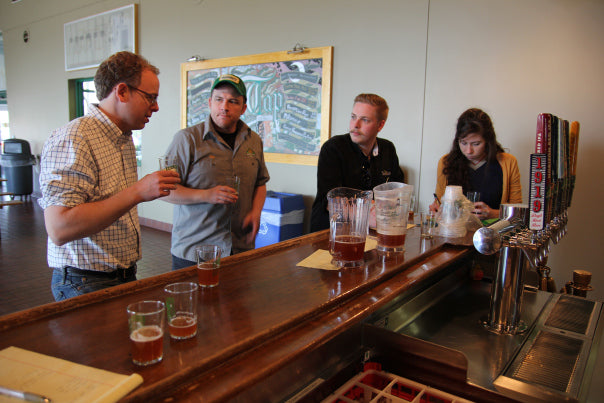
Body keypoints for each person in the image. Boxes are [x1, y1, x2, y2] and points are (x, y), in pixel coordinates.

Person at [39, 51, 180, 301]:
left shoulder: (123, 137)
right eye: (150, 97)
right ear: (122, 91)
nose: (156, 107)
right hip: (84, 281)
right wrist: (138, 191)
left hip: (122, 274)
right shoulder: (74, 138)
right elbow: (59, 228)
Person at [163, 74, 270, 270]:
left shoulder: (254, 140)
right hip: (195, 252)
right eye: (219, 99)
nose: (224, 106)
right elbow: (164, 190)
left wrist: (255, 213)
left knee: (239, 302)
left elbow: (260, 183)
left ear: (244, 108)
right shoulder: (186, 140)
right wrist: (206, 195)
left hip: (240, 249)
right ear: (210, 102)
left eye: (233, 101)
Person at [310, 93, 405, 231]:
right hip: (333, 232)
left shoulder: (388, 149)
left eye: (365, 120)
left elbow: (397, 195)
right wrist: (371, 212)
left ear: (380, 125)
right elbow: (333, 203)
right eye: (353, 117)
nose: (355, 125)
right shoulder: (333, 148)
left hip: (372, 232)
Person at [430, 108, 522, 220]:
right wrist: (436, 209)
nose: (469, 151)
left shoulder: (508, 162)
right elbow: (439, 202)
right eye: (463, 143)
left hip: (493, 232)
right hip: (455, 231)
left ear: (488, 141)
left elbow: (518, 213)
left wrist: (492, 213)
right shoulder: (446, 162)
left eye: (476, 144)